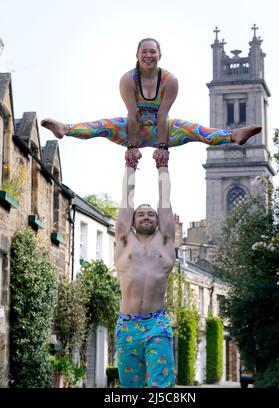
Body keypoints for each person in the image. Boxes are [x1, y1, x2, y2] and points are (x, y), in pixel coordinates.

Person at [41, 38, 262, 149]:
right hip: (131, 128)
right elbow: (132, 114)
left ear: (159, 55)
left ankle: (233, 135)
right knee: (102, 125)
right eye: (144, 52)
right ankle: (65, 128)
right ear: (137, 55)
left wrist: (164, 147)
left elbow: (164, 114)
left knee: (195, 130)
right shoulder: (128, 79)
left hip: (162, 128)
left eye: (152, 51)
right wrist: (132, 146)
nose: (148, 55)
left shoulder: (169, 80)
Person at [113, 147, 176, 388]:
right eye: (141, 214)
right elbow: (126, 201)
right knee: (131, 389)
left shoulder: (166, 241)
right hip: (127, 324)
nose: (147, 216)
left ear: (159, 220)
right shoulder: (124, 241)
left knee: (161, 387)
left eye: (151, 214)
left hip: (156, 323)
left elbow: (165, 200)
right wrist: (130, 165)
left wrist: (162, 166)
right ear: (132, 220)